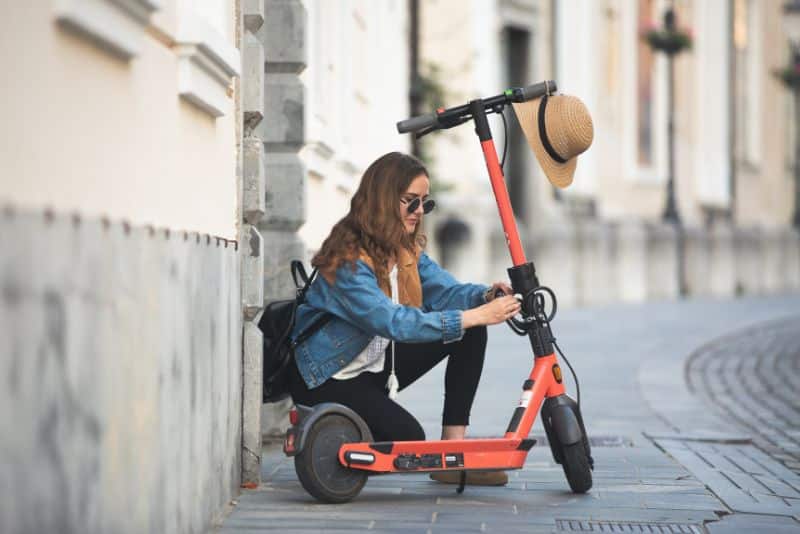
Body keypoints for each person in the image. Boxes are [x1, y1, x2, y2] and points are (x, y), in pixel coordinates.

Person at [287, 151, 521, 486]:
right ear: (383, 200)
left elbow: (444, 290)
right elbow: (394, 322)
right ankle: (329, 431)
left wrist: (485, 296)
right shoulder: (348, 262)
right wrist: (475, 314)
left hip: (371, 365)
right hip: (328, 378)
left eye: (424, 203)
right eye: (410, 201)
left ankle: (451, 456)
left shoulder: (402, 249)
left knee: (470, 330)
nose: (418, 212)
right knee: (408, 437)